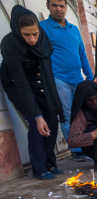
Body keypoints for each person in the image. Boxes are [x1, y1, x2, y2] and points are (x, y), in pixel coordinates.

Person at [1, 5, 64, 180]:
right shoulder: (9, 44)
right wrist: (36, 115)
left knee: (51, 120)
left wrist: (52, 98)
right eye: (26, 34)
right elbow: (20, 82)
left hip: (40, 81)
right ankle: (39, 168)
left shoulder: (42, 36)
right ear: (17, 30)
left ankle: (50, 162)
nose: (32, 39)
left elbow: (47, 67)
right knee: (37, 126)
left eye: (34, 33)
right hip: (17, 84)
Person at [40, 0, 94, 162]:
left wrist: (89, 76)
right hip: (59, 79)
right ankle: (76, 149)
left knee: (82, 113)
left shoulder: (74, 29)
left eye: (62, 6)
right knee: (66, 115)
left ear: (65, 8)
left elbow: (82, 54)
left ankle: (85, 146)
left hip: (78, 79)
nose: (59, 9)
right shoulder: (42, 28)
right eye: (55, 5)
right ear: (48, 6)